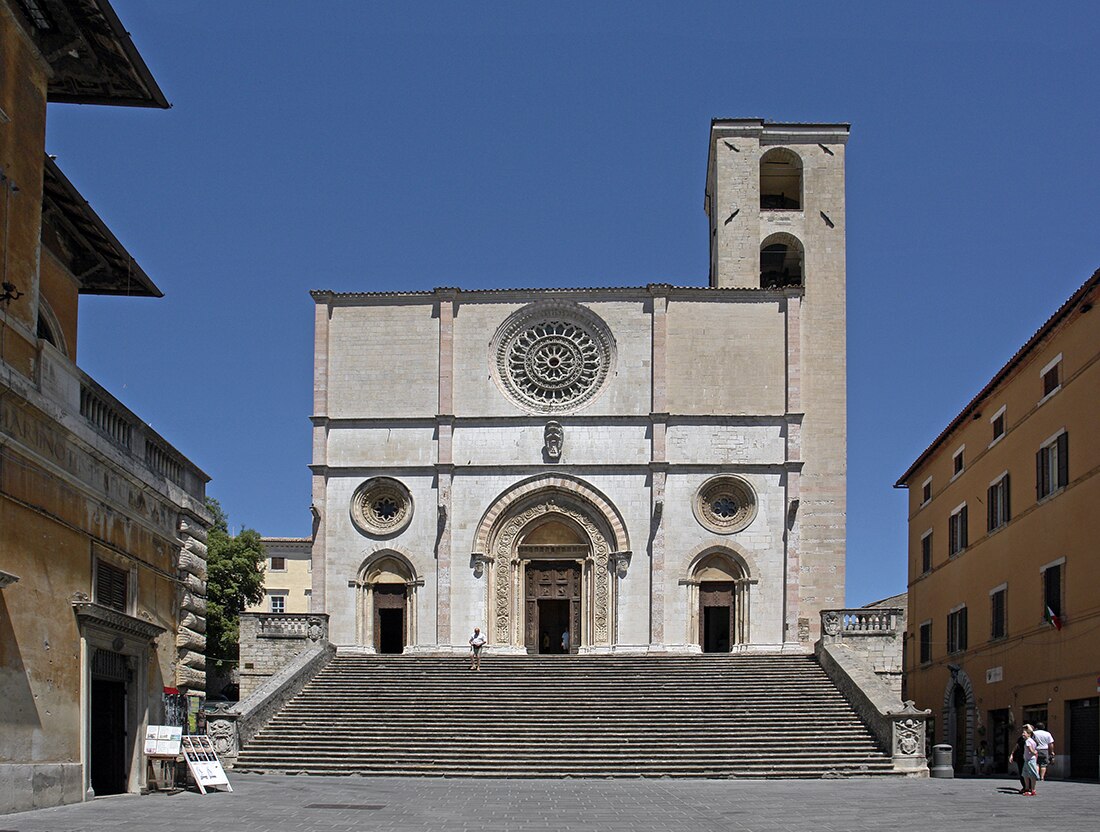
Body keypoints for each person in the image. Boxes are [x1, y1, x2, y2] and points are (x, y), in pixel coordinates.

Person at [1009, 725, 1031, 793]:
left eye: (1025, 732)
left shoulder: (1032, 738)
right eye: (1023, 731)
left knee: (1029, 773)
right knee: (1022, 772)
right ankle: (1025, 787)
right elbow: (1017, 746)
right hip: (1021, 757)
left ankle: (1030, 787)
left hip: (1028, 757)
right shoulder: (1021, 738)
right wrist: (1012, 754)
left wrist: (1028, 726)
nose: (1023, 733)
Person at [1021, 727, 1040, 796]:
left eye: (1024, 733)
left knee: (1031, 775)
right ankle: (1027, 789)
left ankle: (1032, 789)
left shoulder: (1028, 741)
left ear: (1029, 734)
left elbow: (1030, 749)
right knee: (1025, 774)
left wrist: (1034, 752)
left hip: (1030, 760)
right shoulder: (1032, 740)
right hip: (1027, 760)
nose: (1022, 734)